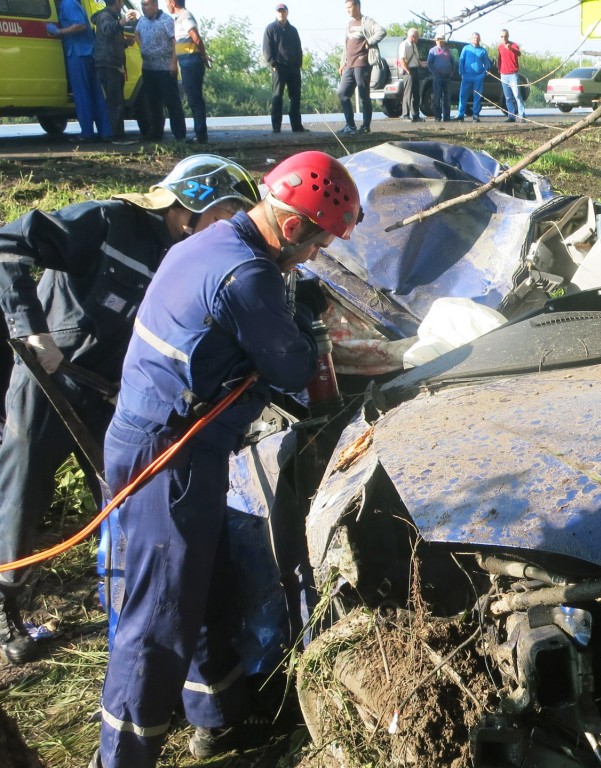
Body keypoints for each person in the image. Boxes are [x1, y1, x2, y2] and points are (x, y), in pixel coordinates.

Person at [91, 151, 361, 768]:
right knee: (159, 613)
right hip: (172, 457)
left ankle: (215, 716)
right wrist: (301, 313)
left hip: (159, 440)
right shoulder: (248, 275)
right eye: (318, 241)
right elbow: (291, 366)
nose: (316, 254)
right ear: (292, 227)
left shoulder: (212, 238)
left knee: (201, 581)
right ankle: (121, 757)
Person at [0, 156, 261, 667]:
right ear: (193, 204)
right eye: (224, 217)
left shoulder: (190, 256)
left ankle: (124, 599)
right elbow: (8, 243)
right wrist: (33, 329)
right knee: (20, 489)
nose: (227, 232)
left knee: (126, 497)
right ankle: (7, 607)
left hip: (113, 396)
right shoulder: (104, 222)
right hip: (50, 378)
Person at [50, 0, 112, 142]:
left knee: (82, 94)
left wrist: (59, 31)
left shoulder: (67, 4)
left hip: (78, 54)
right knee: (96, 95)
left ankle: (87, 134)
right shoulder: (76, 4)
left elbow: (80, 25)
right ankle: (105, 132)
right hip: (87, 53)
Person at [134, 0, 186, 142]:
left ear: (155, 5)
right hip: (148, 68)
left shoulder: (166, 20)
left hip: (165, 68)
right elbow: (136, 33)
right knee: (153, 103)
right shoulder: (142, 21)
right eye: (142, 5)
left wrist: (174, 63)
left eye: (146, 5)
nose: (144, 8)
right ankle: (156, 133)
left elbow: (175, 42)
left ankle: (180, 135)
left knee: (172, 102)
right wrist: (143, 47)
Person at [337, 0, 384, 135]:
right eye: (346, 8)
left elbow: (381, 31)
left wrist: (369, 41)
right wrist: (342, 62)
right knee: (342, 93)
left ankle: (365, 125)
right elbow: (346, 46)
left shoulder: (366, 21)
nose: (347, 10)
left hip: (362, 63)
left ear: (357, 6)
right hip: (349, 64)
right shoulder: (349, 24)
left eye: (349, 7)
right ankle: (350, 125)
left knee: (363, 94)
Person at [167, 0, 209, 144]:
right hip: (186, 63)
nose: (166, 5)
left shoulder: (185, 16)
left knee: (195, 100)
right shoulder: (179, 18)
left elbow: (196, 37)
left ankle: (201, 135)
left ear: (172, 2)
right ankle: (200, 134)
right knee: (193, 99)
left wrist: (203, 56)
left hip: (192, 62)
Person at [91, 0, 133, 140]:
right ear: (117, 2)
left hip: (112, 63)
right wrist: (123, 21)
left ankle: (115, 133)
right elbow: (108, 30)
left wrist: (125, 43)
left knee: (115, 100)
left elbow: (109, 39)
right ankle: (115, 135)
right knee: (115, 102)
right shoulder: (105, 16)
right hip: (108, 64)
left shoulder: (110, 15)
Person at [263, 3, 306, 134]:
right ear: (276, 13)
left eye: (283, 11)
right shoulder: (270, 28)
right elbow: (266, 49)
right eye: (279, 11)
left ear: (287, 12)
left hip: (293, 68)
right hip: (279, 68)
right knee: (277, 97)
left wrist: (298, 63)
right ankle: (276, 127)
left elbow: (298, 48)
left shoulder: (293, 30)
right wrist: (273, 64)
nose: (281, 13)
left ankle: (297, 126)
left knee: (295, 97)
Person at [456, 32, 490, 123]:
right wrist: (462, 73)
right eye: (474, 38)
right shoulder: (466, 49)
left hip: (478, 77)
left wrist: (483, 74)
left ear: (480, 39)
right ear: (471, 39)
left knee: (477, 96)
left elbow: (487, 64)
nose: (476, 39)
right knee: (463, 95)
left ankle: (475, 115)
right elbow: (461, 61)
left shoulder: (483, 51)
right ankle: (460, 115)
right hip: (467, 76)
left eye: (477, 38)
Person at [497, 28, 525, 123]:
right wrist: (499, 69)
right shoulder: (500, 47)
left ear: (508, 36)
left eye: (505, 36)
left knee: (517, 95)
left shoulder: (513, 45)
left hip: (513, 74)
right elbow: (499, 59)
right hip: (504, 75)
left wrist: (511, 48)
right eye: (502, 36)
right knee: (508, 97)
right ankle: (511, 116)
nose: (503, 38)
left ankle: (521, 115)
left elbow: (519, 53)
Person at [426, 34, 453, 122]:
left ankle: (447, 116)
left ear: (443, 41)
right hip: (437, 77)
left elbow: (452, 62)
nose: (439, 41)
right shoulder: (432, 51)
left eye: (441, 39)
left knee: (447, 97)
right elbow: (429, 63)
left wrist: (451, 71)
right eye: (438, 40)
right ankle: (437, 116)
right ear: (435, 41)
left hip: (447, 76)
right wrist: (434, 72)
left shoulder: (448, 50)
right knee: (437, 97)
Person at [398, 27, 421, 122]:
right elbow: (402, 60)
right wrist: (408, 71)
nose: (418, 38)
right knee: (408, 94)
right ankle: (405, 115)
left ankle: (415, 115)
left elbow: (417, 59)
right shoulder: (404, 45)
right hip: (409, 71)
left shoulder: (414, 45)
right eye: (417, 36)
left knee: (416, 94)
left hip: (415, 70)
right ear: (412, 36)